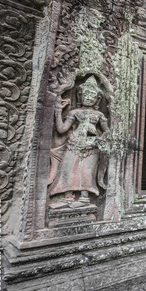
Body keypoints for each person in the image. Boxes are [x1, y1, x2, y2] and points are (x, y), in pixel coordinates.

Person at [48, 76, 109, 207]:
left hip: (91, 147)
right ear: (80, 95)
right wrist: (58, 110)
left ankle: (84, 197)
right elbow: (61, 129)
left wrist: (97, 136)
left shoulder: (99, 116)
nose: (88, 97)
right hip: (74, 144)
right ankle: (67, 195)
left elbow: (108, 133)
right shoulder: (75, 112)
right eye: (86, 94)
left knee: (87, 171)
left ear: (97, 98)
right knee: (68, 169)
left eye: (92, 95)